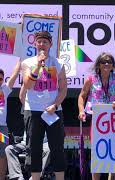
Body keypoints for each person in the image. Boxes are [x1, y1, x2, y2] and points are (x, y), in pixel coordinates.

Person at [22, 31, 67, 180]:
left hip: (53, 111)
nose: (42, 44)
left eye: (45, 42)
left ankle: (59, 177)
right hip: (33, 110)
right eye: (39, 41)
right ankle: (35, 178)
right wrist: (38, 66)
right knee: (34, 147)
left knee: (57, 147)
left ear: (50, 45)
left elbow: (63, 89)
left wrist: (55, 105)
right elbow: (28, 85)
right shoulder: (27, 62)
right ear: (35, 43)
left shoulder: (58, 64)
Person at [77, 52, 115, 180]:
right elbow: (82, 96)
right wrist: (81, 111)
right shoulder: (91, 79)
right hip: (97, 120)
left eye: (109, 62)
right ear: (98, 65)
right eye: (103, 62)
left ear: (112, 65)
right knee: (98, 153)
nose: (106, 64)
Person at [5, 86, 51, 180]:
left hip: (43, 143)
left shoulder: (49, 109)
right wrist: (25, 85)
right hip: (26, 143)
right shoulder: (29, 107)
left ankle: (35, 177)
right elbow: (21, 96)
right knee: (9, 149)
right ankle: (17, 176)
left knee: (49, 149)